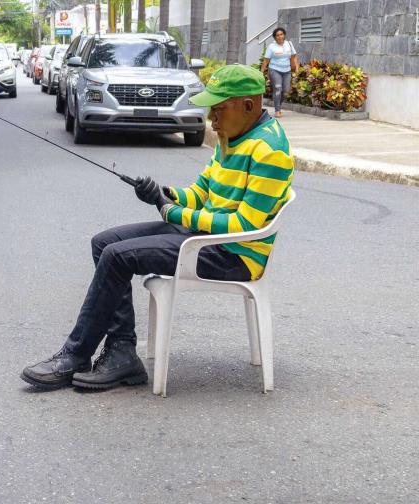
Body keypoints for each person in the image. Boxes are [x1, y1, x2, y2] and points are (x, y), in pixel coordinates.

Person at [21, 65, 294, 391]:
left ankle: (76, 354)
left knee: (116, 257)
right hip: (205, 239)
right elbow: (200, 194)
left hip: (232, 253)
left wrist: (175, 213)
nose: (212, 120)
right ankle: (122, 350)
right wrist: (163, 195)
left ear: (248, 106)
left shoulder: (269, 150)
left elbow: (244, 224)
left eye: (219, 110)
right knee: (104, 243)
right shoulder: (231, 137)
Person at [261, 27, 299, 118]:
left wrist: (296, 66)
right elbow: (266, 60)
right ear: (275, 37)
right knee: (278, 88)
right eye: (277, 35)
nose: (279, 36)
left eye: (281, 34)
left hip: (287, 71)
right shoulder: (271, 47)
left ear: (284, 35)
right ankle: (277, 110)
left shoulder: (289, 44)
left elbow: (294, 56)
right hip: (274, 70)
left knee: (285, 91)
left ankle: (278, 105)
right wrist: (261, 72)